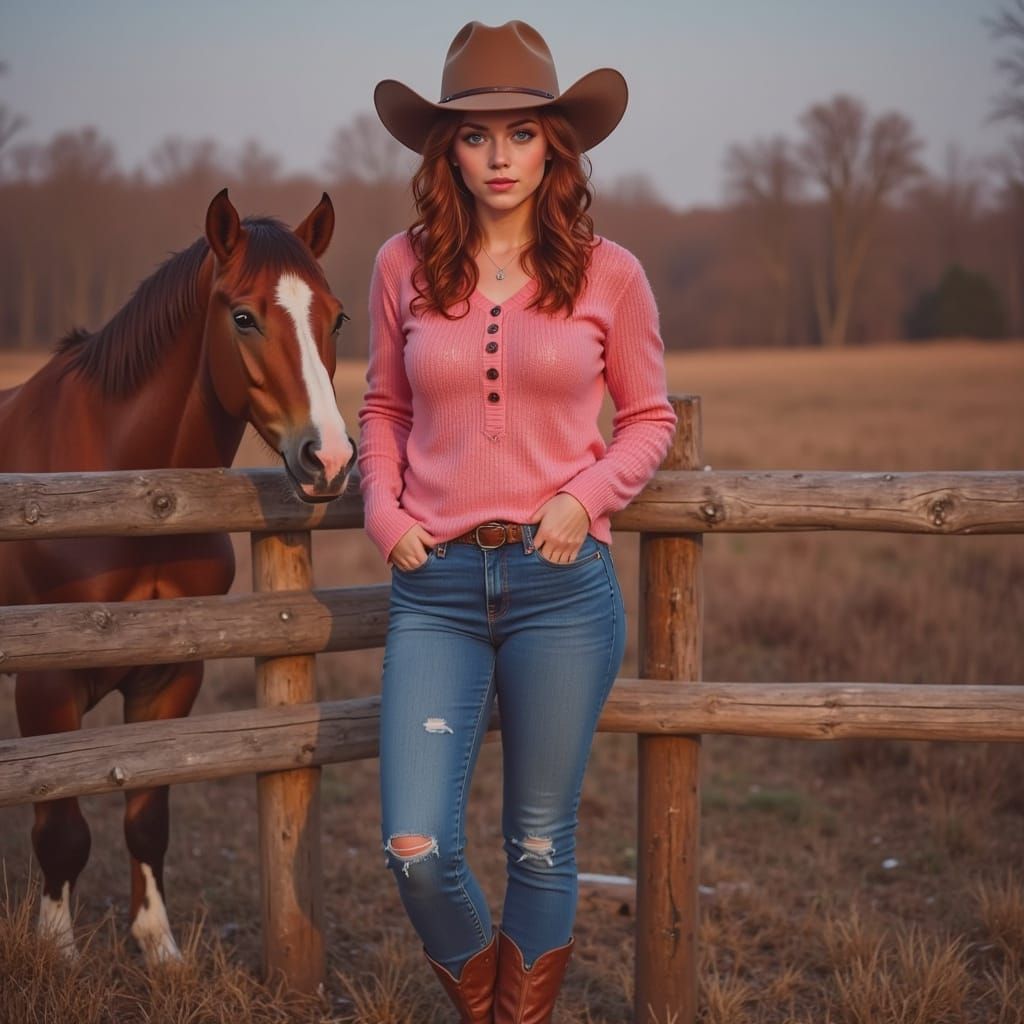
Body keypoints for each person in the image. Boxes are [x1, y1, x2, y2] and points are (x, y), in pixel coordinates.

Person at [359, 20, 677, 1022]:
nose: (499, 157)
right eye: (475, 135)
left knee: (540, 842)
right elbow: (383, 408)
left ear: (554, 147)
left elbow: (650, 419)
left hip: (560, 591)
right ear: (446, 151)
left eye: (522, 133)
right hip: (436, 589)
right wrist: (382, 510)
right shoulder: (401, 265)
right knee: (415, 846)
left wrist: (584, 498)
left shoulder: (611, 273)